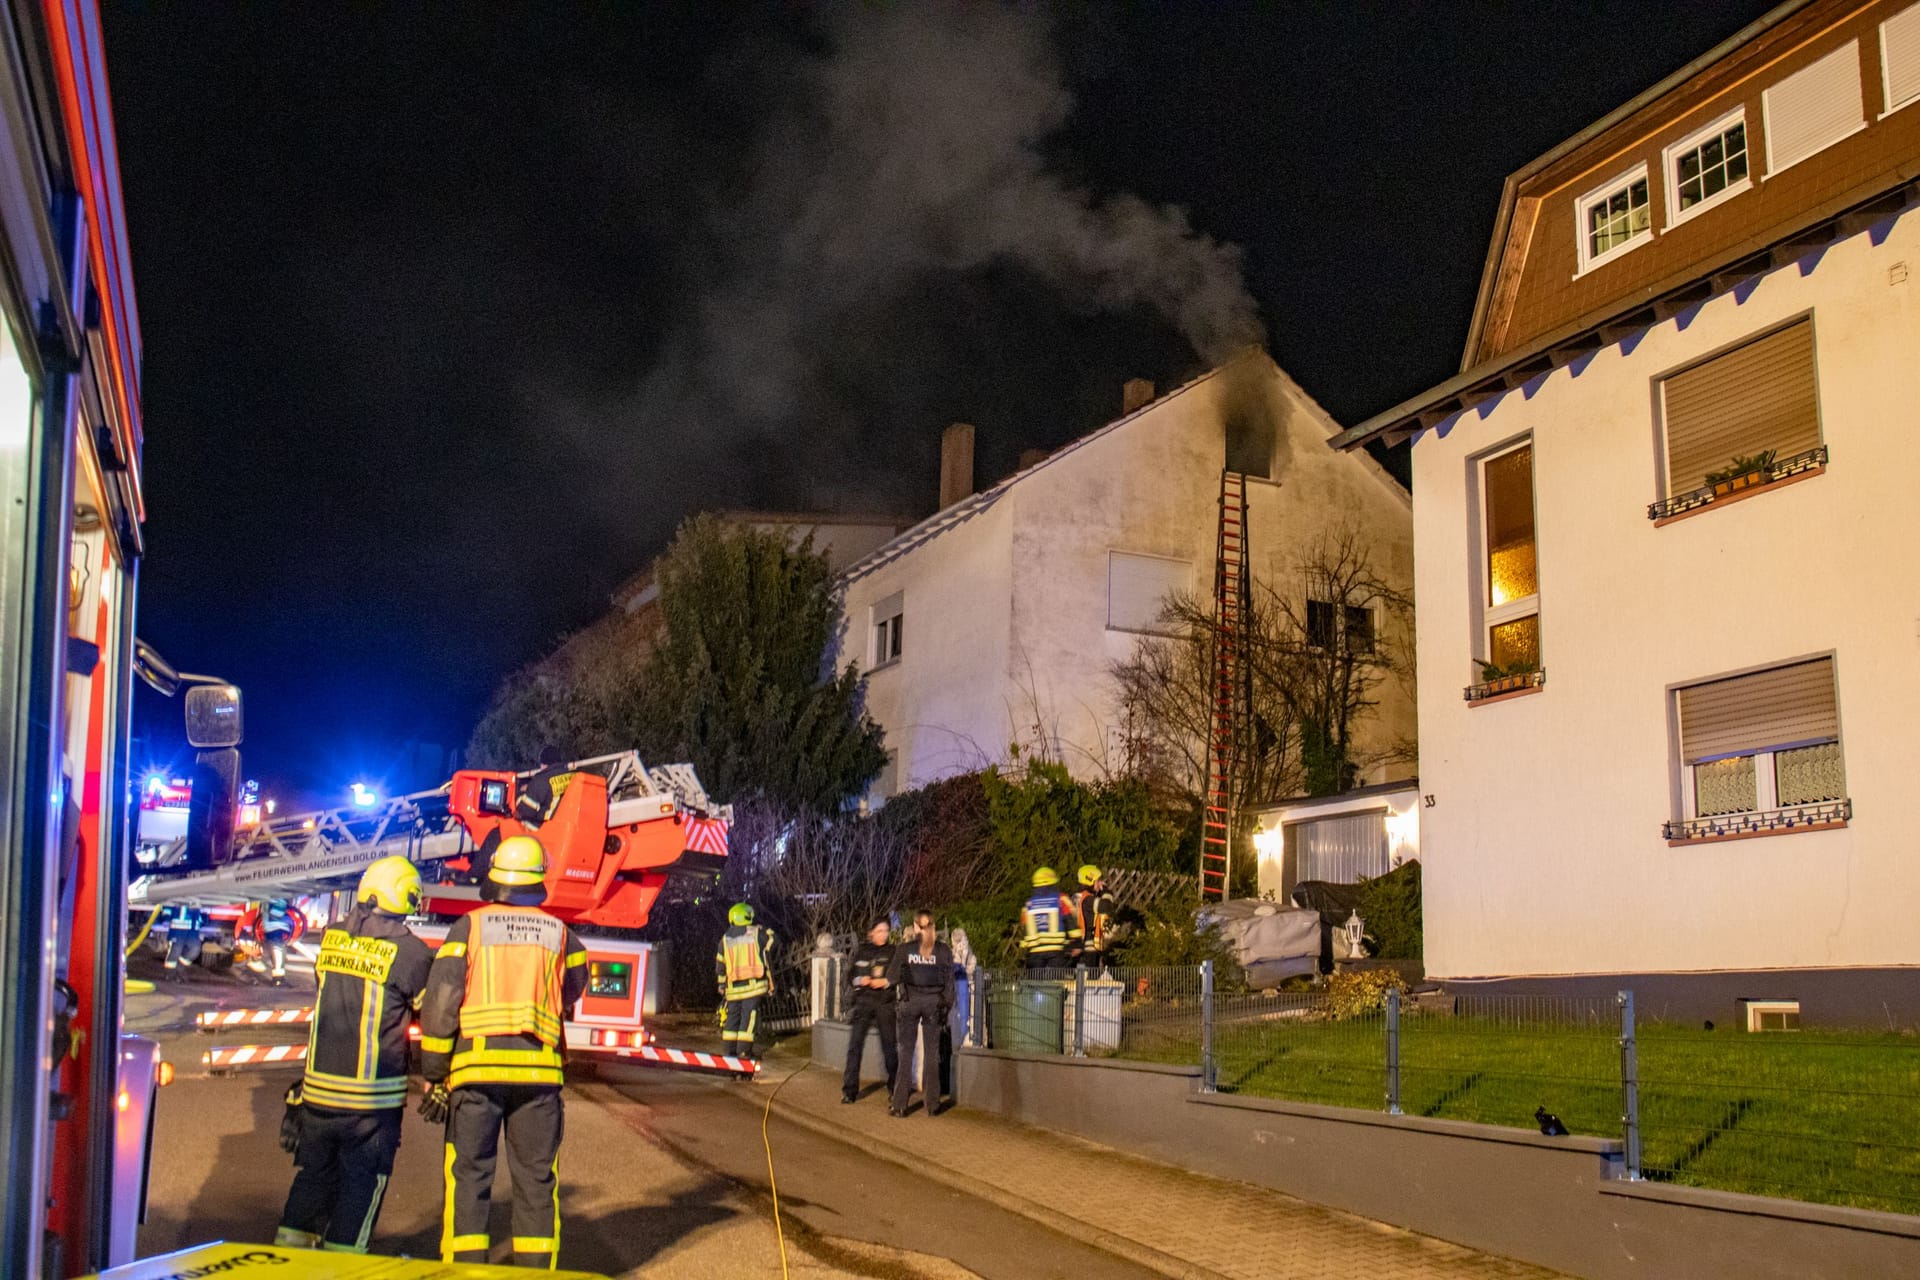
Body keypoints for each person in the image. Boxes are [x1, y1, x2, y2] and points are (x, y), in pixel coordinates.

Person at [419, 835, 588, 1268]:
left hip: (477, 1076)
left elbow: (442, 1000)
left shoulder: (470, 927)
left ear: (495, 875)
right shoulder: (561, 934)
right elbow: (573, 986)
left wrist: (436, 1072)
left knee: (470, 1179)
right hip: (539, 1081)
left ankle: (465, 1272)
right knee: (535, 1183)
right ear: (537, 879)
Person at [276, 857, 434, 1254]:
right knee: (361, 1187)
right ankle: (344, 1266)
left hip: (317, 1096)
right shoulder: (410, 952)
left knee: (313, 1178)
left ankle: (287, 1262)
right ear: (407, 897)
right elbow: (429, 1009)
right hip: (370, 1104)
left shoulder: (331, 938)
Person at [887, 910, 955, 1118]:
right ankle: (933, 1105)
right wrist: (945, 1007)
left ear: (916, 927)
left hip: (910, 1002)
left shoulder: (905, 949)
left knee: (906, 1053)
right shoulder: (943, 951)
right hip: (934, 1004)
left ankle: (899, 1105)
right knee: (932, 1053)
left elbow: (892, 977)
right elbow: (949, 984)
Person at [841, 916, 898, 1103]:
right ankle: (849, 1091)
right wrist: (860, 981)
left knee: (889, 1046)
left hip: (884, 1002)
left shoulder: (892, 952)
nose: (883, 935)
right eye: (879, 931)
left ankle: (894, 1088)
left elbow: (898, 975)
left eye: (886, 931)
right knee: (855, 1045)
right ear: (871, 933)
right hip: (863, 1001)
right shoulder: (862, 952)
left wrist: (885, 982)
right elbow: (850, 976)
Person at [716, 902, 775, 1061]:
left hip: (733, 989)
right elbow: (773, 942)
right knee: (749, 1019)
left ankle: (729, 1053)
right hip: (753, 987)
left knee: (732, 1020)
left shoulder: (725, 939)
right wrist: (766, 930)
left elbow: (720, 964)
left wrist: (721, 984)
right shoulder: (756, 933)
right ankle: (744, 1052)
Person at [1018, 867, 1081, 971]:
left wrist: (1024, 950)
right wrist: (1077, 943)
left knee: (1036, 985)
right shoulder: (1061, 899)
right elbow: (1071, 923)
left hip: (1034, 953)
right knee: (1054, 985)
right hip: (1056, 952)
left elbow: (1024, 930)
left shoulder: (1028, 905)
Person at [1071, 865, 1114, 971]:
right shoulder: (1087, 900)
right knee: (1087, 982)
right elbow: (1106, 906)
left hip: (1077, 946)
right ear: (1090, 881)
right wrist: (1106, 891)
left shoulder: (1076, 897)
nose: (1100, 883)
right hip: (1087, 949)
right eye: (1098, 880)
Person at [245, 898, 298, 983]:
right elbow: (276, 913)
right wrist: (289, 920)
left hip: (271, 928)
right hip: (276, 928)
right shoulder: (279, 899)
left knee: (270, 952)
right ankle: (278, 980)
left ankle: (252, 970)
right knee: (278, 953)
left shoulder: (272, 898)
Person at [159, 902, 209, 978]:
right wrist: (166, 918)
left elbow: (204, 912)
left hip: (193, 931)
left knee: (195, 949)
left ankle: (180, 967)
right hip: (178, 929)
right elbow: (168, 906)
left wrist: (203, 920)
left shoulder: (199, 897)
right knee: (175, 951)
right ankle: (169, 974)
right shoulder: (179, 895)